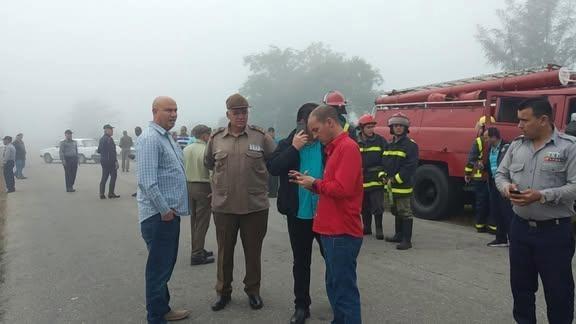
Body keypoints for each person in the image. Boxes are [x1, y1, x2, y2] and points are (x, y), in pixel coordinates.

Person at [496, 97, 576, 324]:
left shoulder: (569, 147)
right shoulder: (516, 146)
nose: (519, 125)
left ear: (543, 120)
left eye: (524, 120)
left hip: (554, 233)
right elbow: (501, 175)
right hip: (520, 229)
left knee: (559, 294)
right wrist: (506, 188)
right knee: (521, 290)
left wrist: (542, 195)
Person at [290, 104, 363, 324]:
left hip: (341, 230)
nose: (314, 134)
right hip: (331, 229)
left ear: (330, 123)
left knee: (343, 291)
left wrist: (315, 183)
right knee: (334, 285)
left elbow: (342, 188)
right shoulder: (335, 148)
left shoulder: (347, 148)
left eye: (316, 129)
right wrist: (311, 183)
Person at [204, 93, 276, 312]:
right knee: (225, 252)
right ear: (228, 114)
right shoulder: (216, 138)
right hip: (224, 207)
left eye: (244, 112)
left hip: (254, 206)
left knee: (253, 252)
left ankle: (253, 291)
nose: (241, 116)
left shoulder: (260, 137)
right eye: (236, 112)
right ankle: (223, 292)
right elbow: (208, 162)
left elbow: (276, 161)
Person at [267, 103, 325, 324]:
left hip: (324, 213)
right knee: (301, 262)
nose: (316, 129)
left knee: (331, 258)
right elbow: (273, 168)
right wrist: (294, 148)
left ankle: (337, 298)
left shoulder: (327, 144)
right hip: (298, 214)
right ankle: (301, 306)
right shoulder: (288, 144)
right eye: (312, 124)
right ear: (302, 122)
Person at [137, 96, 191, 324]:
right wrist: (165, 210)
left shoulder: (167, 137)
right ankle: (156, 317)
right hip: (159, 217)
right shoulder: (150, 138)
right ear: (154, 111)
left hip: (168, 214)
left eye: (176, 109)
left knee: (164, 265)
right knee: (158, 269)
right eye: (168, 110)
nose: (174, 114)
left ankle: (162, 308)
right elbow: (147, 181)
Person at [382, 112, 419, 250]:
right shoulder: (389, 144)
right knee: (396, 211)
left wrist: (395, 179)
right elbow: (383, 162)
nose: (398, 128)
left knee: (405, 212)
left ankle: (406, 240)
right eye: (395, 126)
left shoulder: (411, 146)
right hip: (390, 187)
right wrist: (382, 175)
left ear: (405, 128)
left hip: (402, 186)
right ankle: (398, 235)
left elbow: (410, 167)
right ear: (391, 128)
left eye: (401, 126)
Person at [183, 124, 215, 266]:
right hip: (203, 186)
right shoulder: (206, 149)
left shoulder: (186, 149)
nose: (210, 137)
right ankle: (197, 254)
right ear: (204, 135)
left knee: (194, 220)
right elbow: (212, 172)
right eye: (209, 134)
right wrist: (215, 190)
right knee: (202, 222)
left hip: (189, 184)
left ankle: (197, 248)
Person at [357, 114, 387, 239]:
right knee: (364, 206)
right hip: (362, 179)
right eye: (368, 127)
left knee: (378, 205)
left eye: (372, 127)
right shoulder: (355, 142)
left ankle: (379, 229)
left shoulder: (380, 141)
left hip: (376, 178)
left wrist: (384, 173)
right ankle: (367, 228)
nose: (371, 130)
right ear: (362, 128)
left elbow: (386, 158)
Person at [465, 116, 496, 234]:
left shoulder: (478, 141)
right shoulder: (495, 139)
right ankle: (492, 227)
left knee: (481, 202)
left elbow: (471, 159)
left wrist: (467, 173)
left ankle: (480, 225)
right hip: (491, 177)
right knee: (492, 202)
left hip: (480, 177)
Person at [484, 127, 514, 247]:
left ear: (494, 137)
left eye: (486, 138)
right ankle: (500, 238)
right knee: (496, 211)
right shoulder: (490, 149)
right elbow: (490, 164)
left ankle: (513, 239)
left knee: (507, 212)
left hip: (504, 184)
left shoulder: (506, 147)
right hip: (493, 183)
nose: (485, 140)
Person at [97, 124, 120, 199]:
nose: (112, 131)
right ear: (106, 130)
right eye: (111, 129)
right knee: (113, 176)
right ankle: (111, 193)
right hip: (110, 161)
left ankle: (101, 194)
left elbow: (99, 150)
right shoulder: (109, 139)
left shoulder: (102, 139)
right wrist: (116, 161)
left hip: (104, 161)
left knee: (104, 177)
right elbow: (112, 152)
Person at [267, 127, 279, 198]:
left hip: (276, 161)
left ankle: (274, 192)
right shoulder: (267, 141)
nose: (271, 134)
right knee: (269, 178)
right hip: (269, 161)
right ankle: (270, 191)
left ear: (273, 132)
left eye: (272, 132)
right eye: (269, 132)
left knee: (274, 178)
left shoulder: (277, 141)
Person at [132, 126, 143, 198]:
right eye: (135, 131)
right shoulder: (137, 139)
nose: (136, 132)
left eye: (137, 131)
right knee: (139, 178)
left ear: (140, 131)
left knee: (142, 178)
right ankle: (139, 191)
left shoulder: (143, 139)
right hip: (138, 161)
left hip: (142, 162)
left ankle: (141, 192)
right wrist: (134, 156)